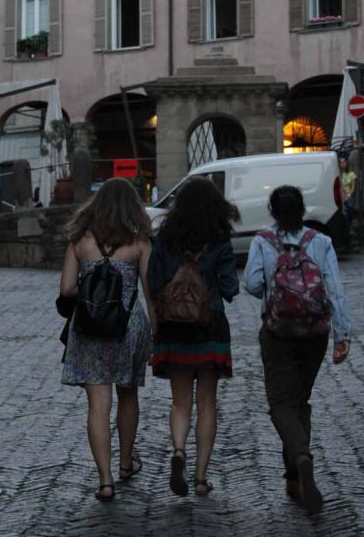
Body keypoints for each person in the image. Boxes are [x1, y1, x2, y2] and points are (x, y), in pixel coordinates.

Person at [244, 185, 352, 514]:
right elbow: (334, 288)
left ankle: (301, 457)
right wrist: (342, 334)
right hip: (315, 334)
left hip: (278, 332)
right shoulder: (320, 242)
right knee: (300, 400)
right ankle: (295, 476)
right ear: (303, 209)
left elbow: (251, 283)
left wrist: (275, 286)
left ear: (273, 211)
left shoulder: (263, 241)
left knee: (281, 402)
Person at [59, 178, 155, 502]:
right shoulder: (140, 242)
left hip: (89, 327)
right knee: (128, 395)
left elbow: (66, 290)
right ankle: (127, 462)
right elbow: (149, 290)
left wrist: (93, 286)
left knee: (97, 405)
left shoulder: (79, 241)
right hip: (129, 327)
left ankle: (105, 480)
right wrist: (156, 334)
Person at [147, 177, 239, 497]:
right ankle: (200, 478)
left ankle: (178, 451)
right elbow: (230, 289)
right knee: (208, 403)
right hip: (210, 325)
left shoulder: (164, 239)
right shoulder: (220, 241)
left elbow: (154, 283)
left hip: (174, 328)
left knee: (180, 402)